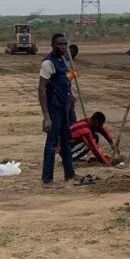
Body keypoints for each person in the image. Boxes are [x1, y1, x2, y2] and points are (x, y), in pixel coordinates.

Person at [38, 33, 77, 186]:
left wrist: (70, 92)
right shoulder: (48, 63)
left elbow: (65, 80)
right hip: (54, 108)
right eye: (60, 44)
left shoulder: (63, 60)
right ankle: (47, 179)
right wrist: (46, 115)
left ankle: (70, 174)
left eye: (65, 44)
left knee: (66, 141)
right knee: (52, 143)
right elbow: (41, 89)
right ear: (52, 45)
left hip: (65, 106)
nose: (63, 47)